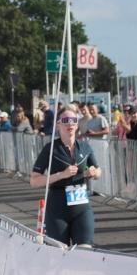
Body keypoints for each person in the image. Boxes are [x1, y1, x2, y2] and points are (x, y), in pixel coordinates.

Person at [29, 104, 101, 246]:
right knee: (59, 254)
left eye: (73, 120)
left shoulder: (85, 147)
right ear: (58, 125)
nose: (70, 124)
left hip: (81, 207)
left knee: (85, 250)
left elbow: (98, 171)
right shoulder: (50, 149)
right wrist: (61, 175)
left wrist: (94, 173)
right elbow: (34, 180)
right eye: (66, 120)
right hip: (57, 209)